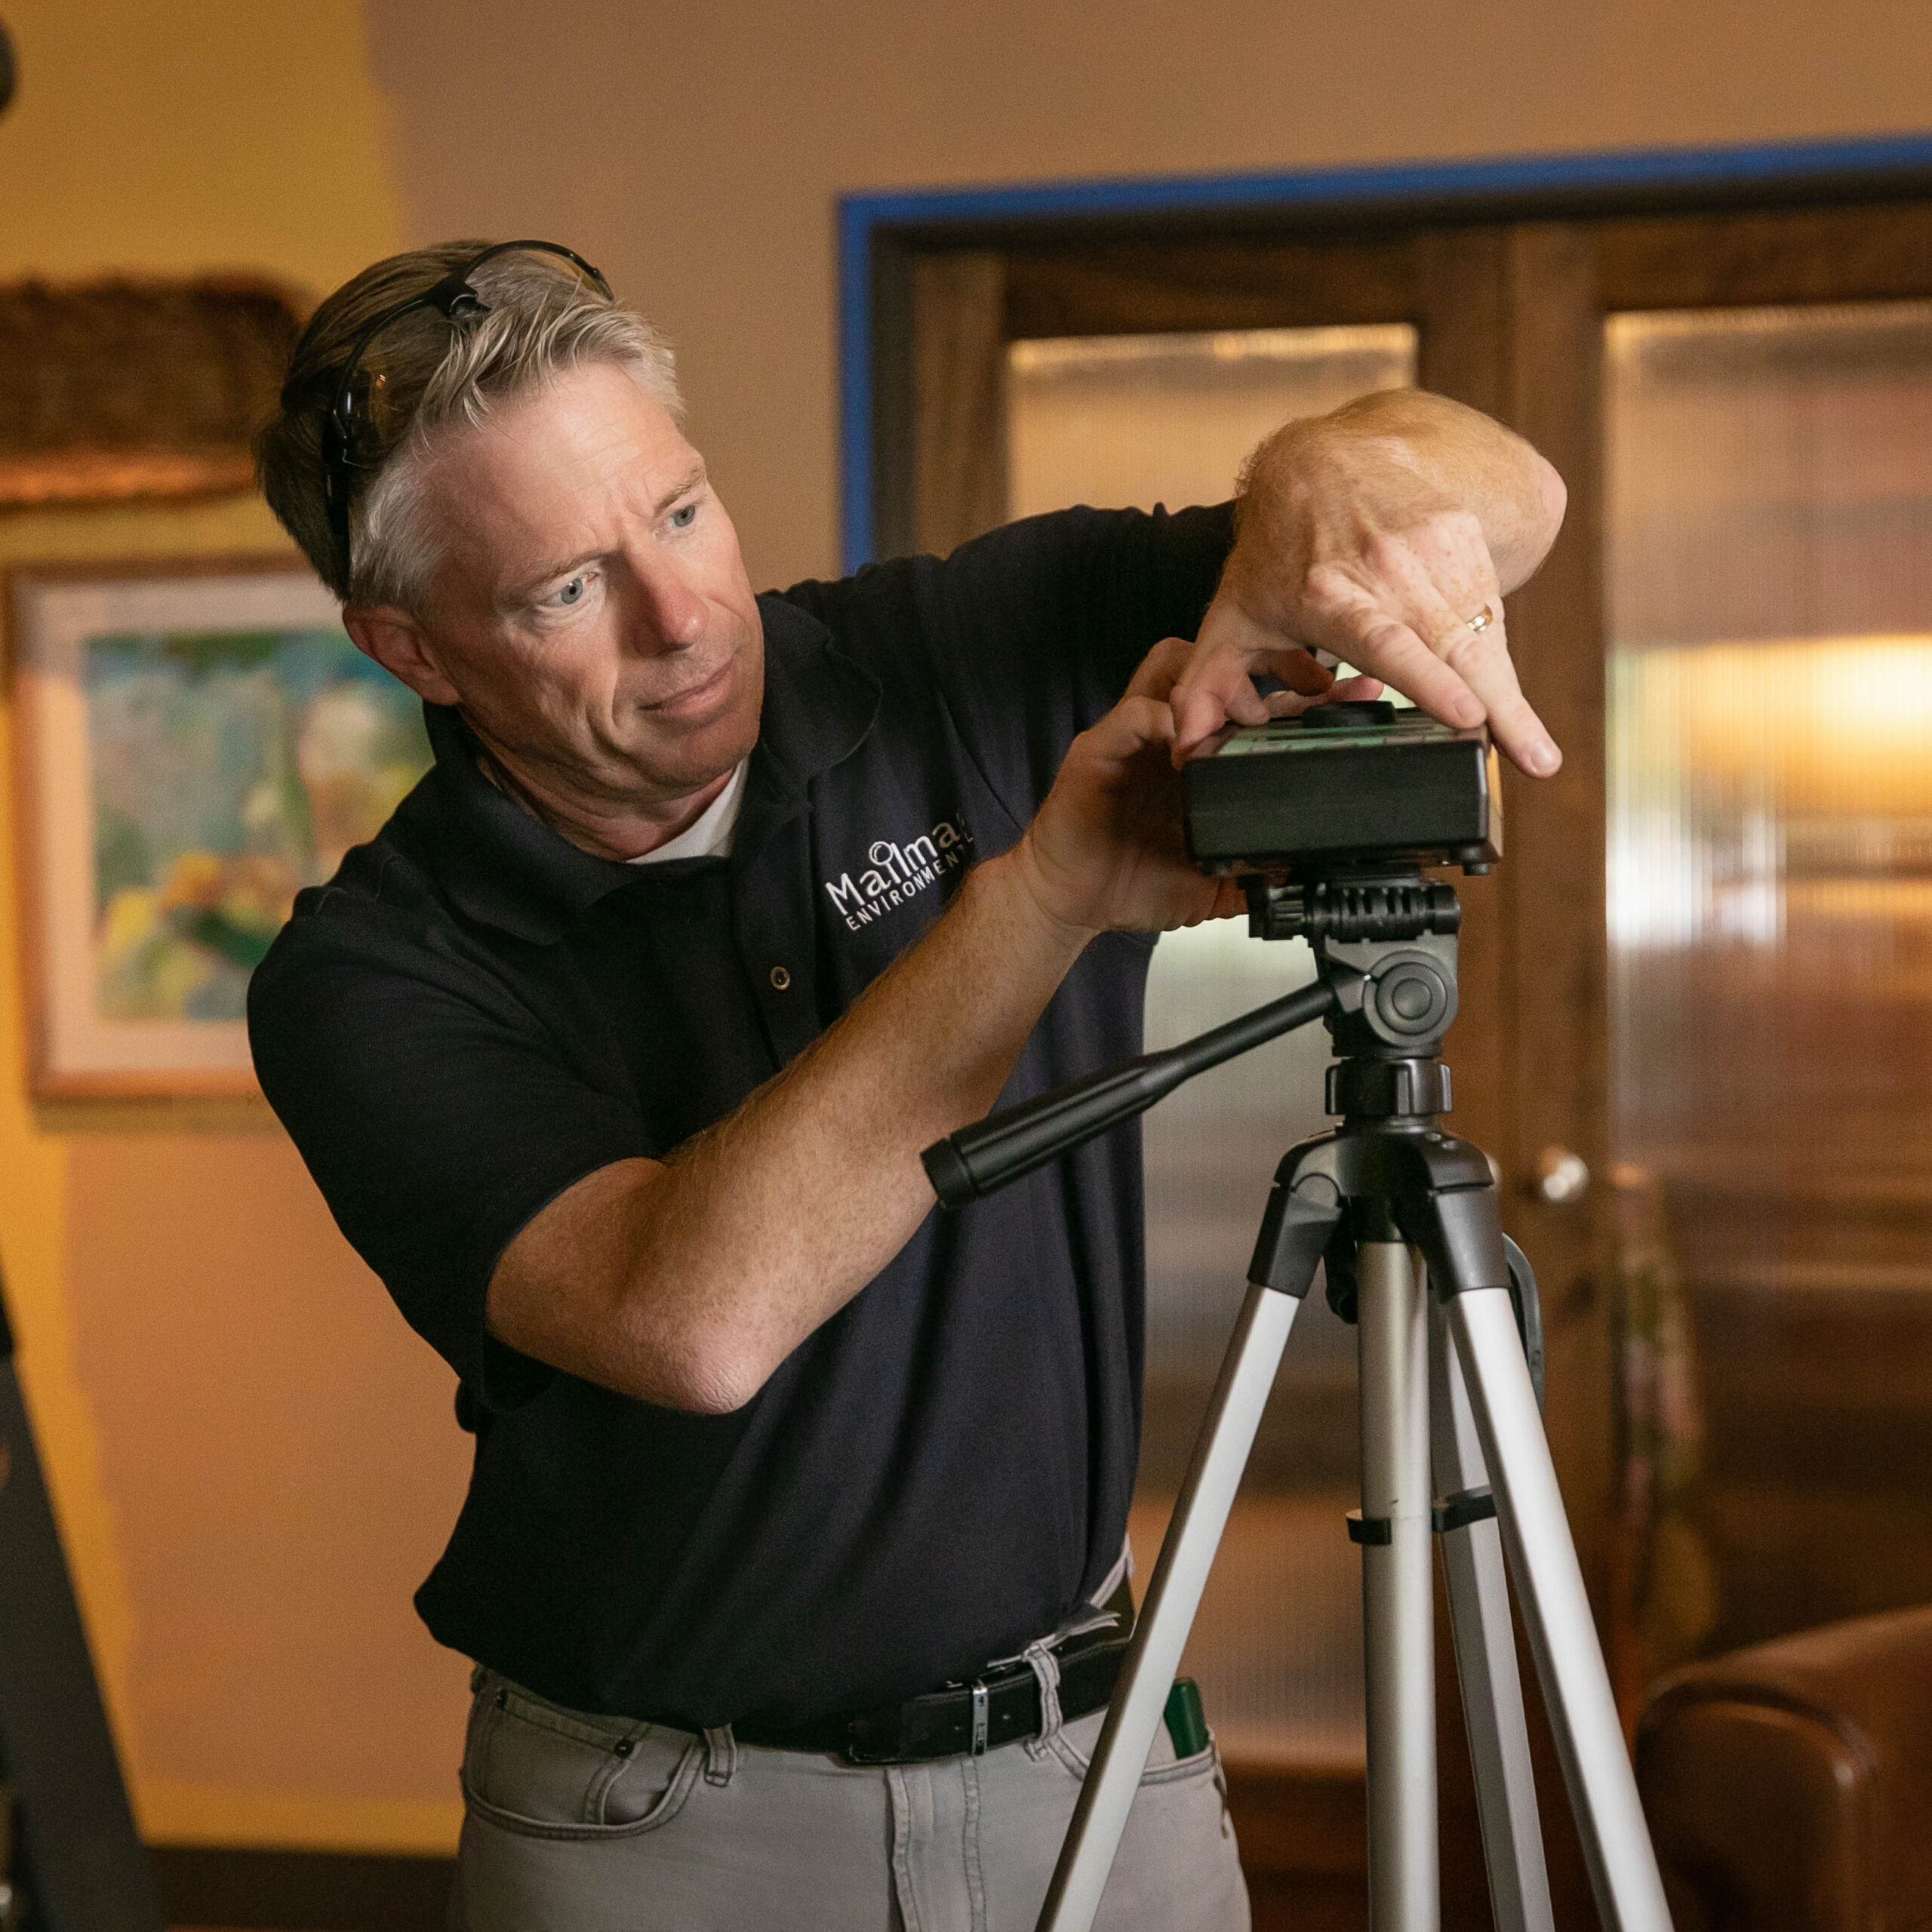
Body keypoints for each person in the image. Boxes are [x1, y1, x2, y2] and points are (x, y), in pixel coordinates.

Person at [249, 239, 1565, 1932]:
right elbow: (692, 1318)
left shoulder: (961, 647)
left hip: (1093, 1760)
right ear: (412, 648)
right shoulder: (373, 973)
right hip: (664, 1827)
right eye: (561, 589)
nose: (683, 615)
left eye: (677, 510)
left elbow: (1505, 489)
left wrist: (1315, 484)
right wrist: (1037, 900)